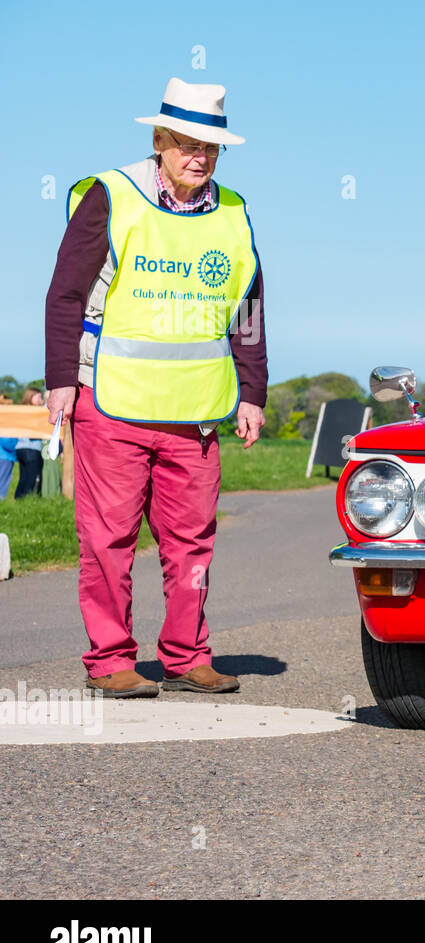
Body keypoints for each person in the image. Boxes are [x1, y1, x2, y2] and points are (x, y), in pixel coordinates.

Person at [43, 78, 268, 699]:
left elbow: (246, 309)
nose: (201, 156)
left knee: (192, 542)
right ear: (159, 140)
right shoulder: (110, 196)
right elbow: (64, 294)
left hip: (195, 410)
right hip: (111, 400)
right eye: (189, 143)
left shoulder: (233, 213)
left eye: (212, 147)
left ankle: (186, 655)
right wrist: (61, 379)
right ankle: (111, 659)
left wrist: (253, 391)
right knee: (109, 538)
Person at [13, 389, 46, 498]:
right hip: (32, 449)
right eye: (38, 397)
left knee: (23, 479)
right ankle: (28, 503)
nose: (41, 400)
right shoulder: (34, 412)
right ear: (30, 397)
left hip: (20, 449)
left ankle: (18, 502)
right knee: (31, 480)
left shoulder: (21, 412)